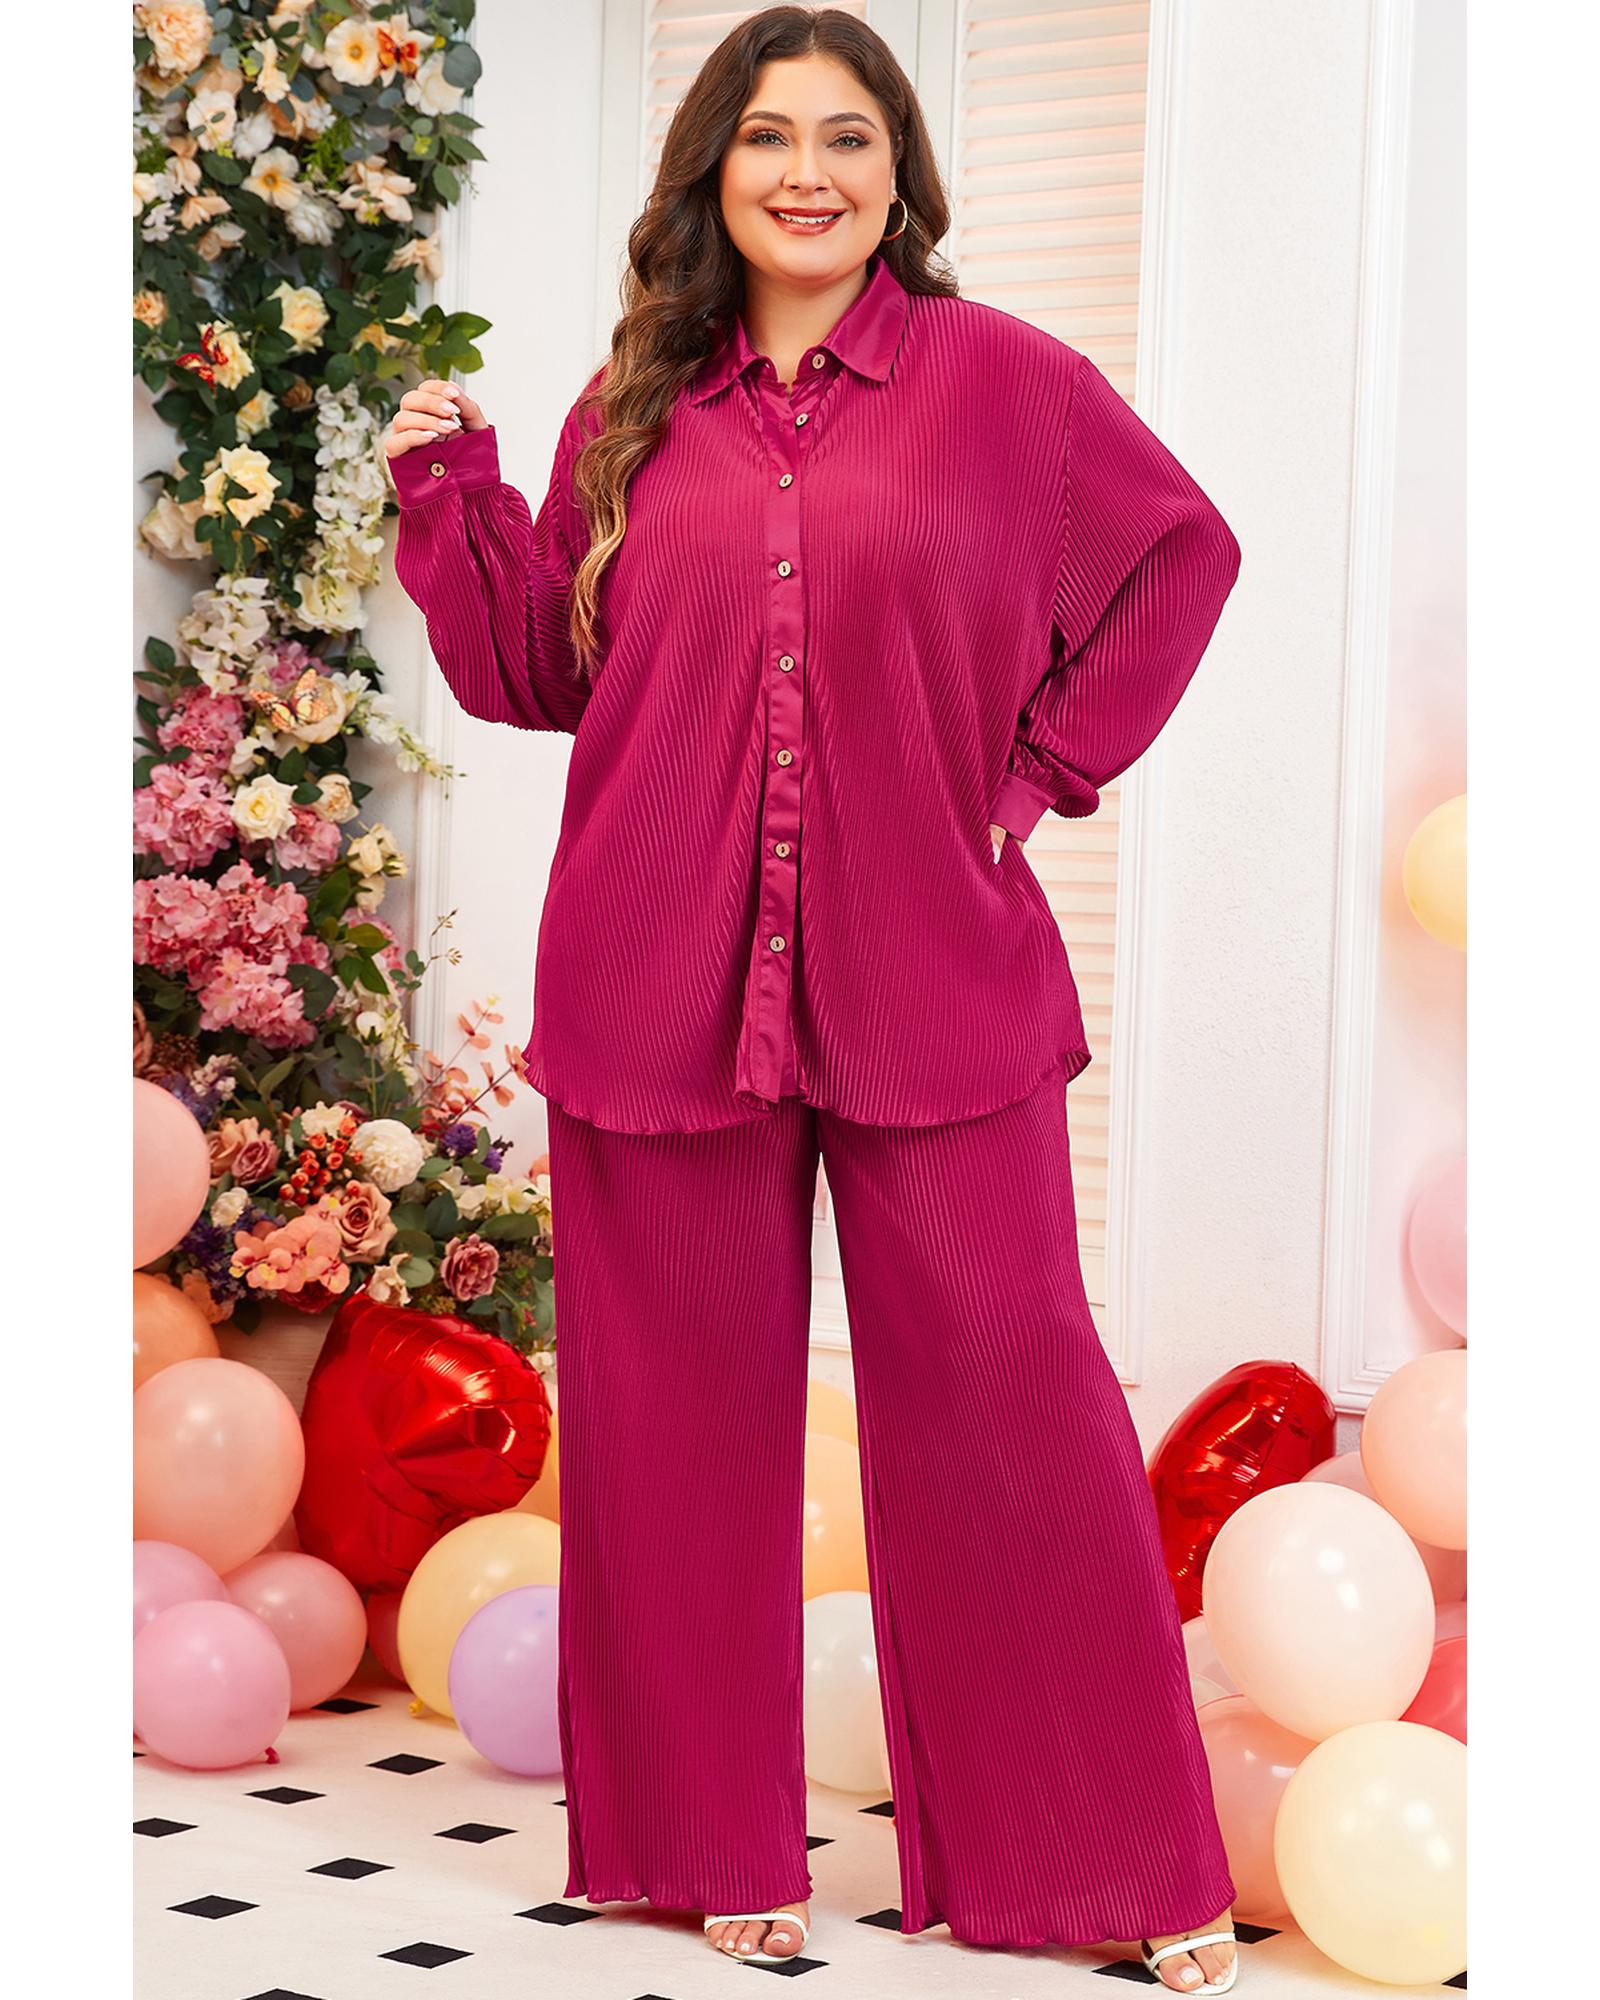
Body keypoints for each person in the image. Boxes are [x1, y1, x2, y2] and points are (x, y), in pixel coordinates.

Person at [381, 9, 1242, 1993]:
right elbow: (538, 671)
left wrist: (1024, 781)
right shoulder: (633, 407)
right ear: (714, 168)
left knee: (1009, 1394)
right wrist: (452, 497)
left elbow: (1178, 563)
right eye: (767, 135)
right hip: (654, 968)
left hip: (933, 968)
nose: (806, 172)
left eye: (847, 137)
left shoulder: (1009, 386)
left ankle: (1103, 1861)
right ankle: (707, 1845)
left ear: (897, 175)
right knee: (672, 1423)